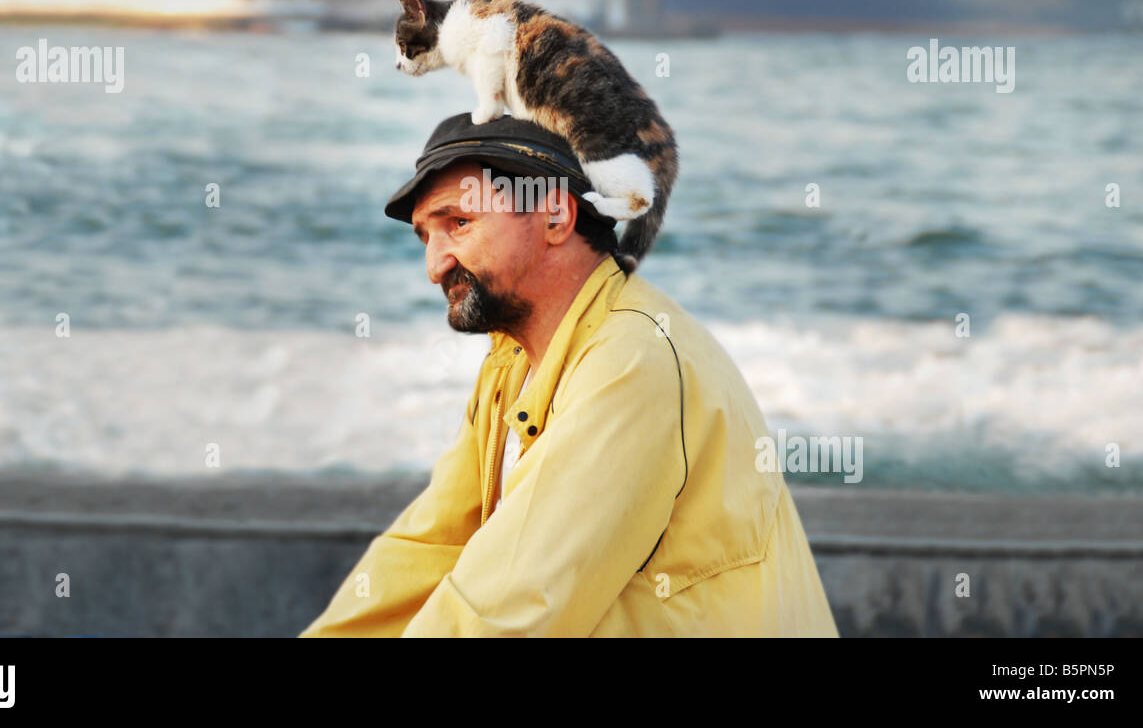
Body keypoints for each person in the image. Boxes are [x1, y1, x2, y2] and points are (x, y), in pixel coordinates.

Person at [299, 113, 839, 637]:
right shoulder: (512, 361)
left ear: (556, 216)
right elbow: (429, 550)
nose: (435, 264)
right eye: (425, 237)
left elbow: (512, 609)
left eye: (458, 223)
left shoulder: (633, 359)